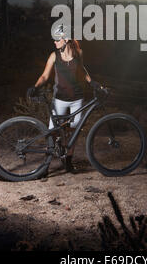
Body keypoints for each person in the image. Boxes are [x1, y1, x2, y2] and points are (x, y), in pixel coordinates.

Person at [28, 24, 100, 172]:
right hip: (59, 98)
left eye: (57, 39)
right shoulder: (54, 56)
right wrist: (35, 87)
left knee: (74, 131)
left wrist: (92, 82)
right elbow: (45, 76)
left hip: (77, 98)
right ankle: (45, 166)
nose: (54, 42)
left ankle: (68, 162)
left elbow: (82, 70)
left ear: (65, 39)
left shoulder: (78, 53)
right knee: (52, 132)